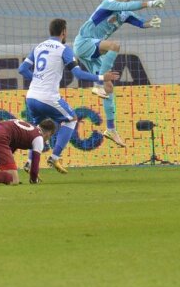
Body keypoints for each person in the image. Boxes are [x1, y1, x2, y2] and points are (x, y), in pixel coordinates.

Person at [17, 18, 119, 179]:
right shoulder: (64, 49)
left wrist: (37, 80)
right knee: (71, 119)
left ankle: (30, 162)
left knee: (37, 129)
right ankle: (55, 157)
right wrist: (101, 77)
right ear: (64, 32)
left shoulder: (39, 47)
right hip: (47, 97)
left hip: (31, 96)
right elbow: (78, 74)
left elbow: (22, 69)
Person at [72, 0, 165, 148]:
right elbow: (127, 6)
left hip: (94, 49)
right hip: (84, 42)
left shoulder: (125, 14)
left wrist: (152, 23)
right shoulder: (108, 3)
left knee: (109, 88)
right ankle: (98, 84)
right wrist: (150, 3)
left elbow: (140, 23)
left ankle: (111, 129)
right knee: (114, 46)